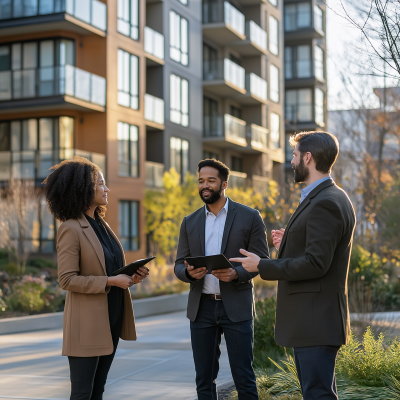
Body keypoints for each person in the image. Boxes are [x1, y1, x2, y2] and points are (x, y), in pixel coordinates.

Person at [231, 131, 356, 400]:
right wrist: (287, 244)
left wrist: (261, 265)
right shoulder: (324, 197)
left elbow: (315, 264)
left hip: (316, 321)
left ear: (308, 158)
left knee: (318, 395)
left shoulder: (326, 202)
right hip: (312, 321)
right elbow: (316, 253)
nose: (291, 161)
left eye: (295, 155)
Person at [43, 156, 149, 400]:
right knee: (82, 393)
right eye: (101, 183)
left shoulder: (101, 224)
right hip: (87, 325)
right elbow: (67, 280)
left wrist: (132, 275)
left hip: (111, 319)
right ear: (82, 188)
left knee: (98, 391)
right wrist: (111, 282)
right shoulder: (70, 228)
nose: (107, 188)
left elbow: (109, 268)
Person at [174, 159, 269, 400]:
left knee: (244, 377)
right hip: (202, 308)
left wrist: (237, 273)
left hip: (236, 306)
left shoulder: (250, 217)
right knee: (204, 380)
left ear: (224, 183)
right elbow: (178, 264)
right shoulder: (190, 221)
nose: (204, 186)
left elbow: (262, 260)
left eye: (211, 181)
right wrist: (187, 273)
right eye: (201, 181)